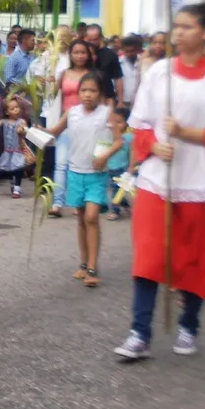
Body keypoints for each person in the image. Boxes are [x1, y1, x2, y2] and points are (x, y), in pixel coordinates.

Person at [114, 3, 205, 361]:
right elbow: (139, 124)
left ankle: (189, 324)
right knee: (149, 255)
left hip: (200, 183)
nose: (179, 32)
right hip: (160, 179)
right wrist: (154, 144)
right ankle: (139, 332)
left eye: (188, 26)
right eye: (176, 25)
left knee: (194, 258)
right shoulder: (160, 73)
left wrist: (186, 133)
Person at [46, 71, 112, 286]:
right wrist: (28, 131)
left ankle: (93, 266)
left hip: (97, 175)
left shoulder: (106, 114)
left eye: (92, 90)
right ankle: (84, 263)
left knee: (92, 217)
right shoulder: (71, 112)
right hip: (75, 173)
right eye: (84, 90)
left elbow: (120, 141)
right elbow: (53, 132)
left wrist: (105, 156)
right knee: (82, 219)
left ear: (100, 93)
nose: (87, 95)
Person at [50, 39, 98, 217]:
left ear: (88, 55)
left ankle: (78, 201)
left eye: (83, 52)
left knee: (80, 165)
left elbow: (99, 101)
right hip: (65, 124)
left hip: (87, 126)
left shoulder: (93, 76)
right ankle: (57, 203)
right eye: (76, 52)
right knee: (60, 164)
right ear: (70, 55)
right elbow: (54, 96)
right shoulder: (64, 73)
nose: (79, 56)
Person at [102, 106, 134, 221]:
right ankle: (125, 205)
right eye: (113, 122)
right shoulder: (108, 136)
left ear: (127, 123)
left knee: (116, 190)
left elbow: (132, 152)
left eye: (119, 122)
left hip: (122, 169)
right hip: (109, 168)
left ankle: (115, 211)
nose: (115, 125)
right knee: (116, 190)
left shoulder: (129, 138)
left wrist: (131, 166)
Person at [0, 96, 31, 199]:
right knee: (9, 168)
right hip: (8, 151)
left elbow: (25, 130)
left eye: (17, 107)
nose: (16, 110)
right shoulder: (4, 121)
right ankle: (13, 181)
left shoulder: (21, 121)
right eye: (12, 108)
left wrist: (22, 130)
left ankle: (17, 187)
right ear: (7, 112)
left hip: (18, 150)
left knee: (18, 169)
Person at [84, 23, 124, 105]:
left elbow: (118, 78)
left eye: (94, 39)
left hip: (106, 98)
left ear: (101, 37)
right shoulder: (82, 53)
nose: (92, 42)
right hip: (86, 98)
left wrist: (120, 101)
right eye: (89, 40)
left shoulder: (111, 54)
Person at [120, 34, 143, 107]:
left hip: (139, 102)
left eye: (132, 51)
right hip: (123, 102)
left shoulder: (143, 62)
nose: (129, 54)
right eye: (127, 51)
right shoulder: (118, 63)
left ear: (137, 50)